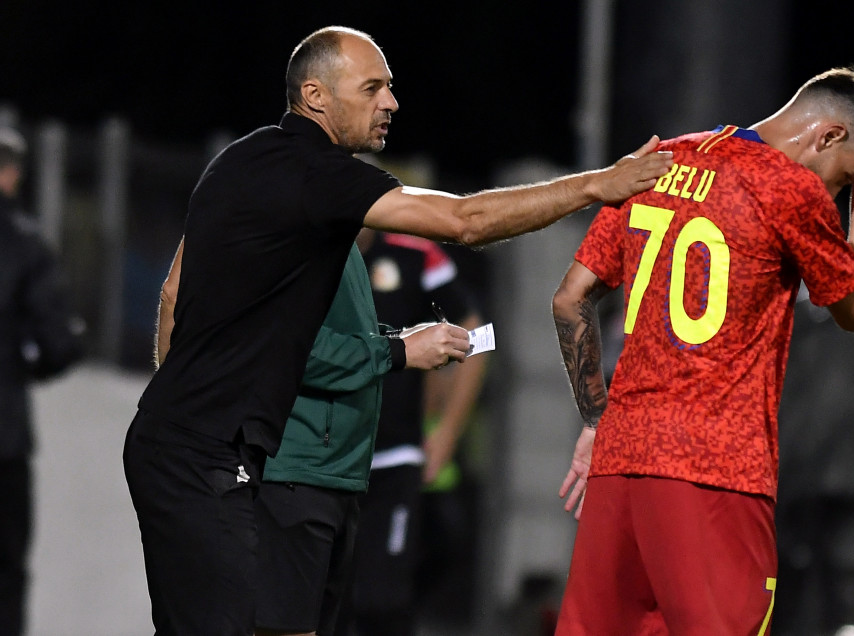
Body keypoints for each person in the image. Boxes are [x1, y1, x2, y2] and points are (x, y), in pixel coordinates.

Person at [128, 25, 672, 636]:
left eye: (390, 88)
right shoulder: (318, 172)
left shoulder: (239, 161)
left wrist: (180, 411)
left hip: (193, 446)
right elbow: (464, 221)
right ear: (316, 96)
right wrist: (596, 185)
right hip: (207, 456)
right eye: (372, 88)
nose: (390, 102)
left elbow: (175, 292)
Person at [550, 67, 854, 634]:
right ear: (828, 136)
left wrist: (598, 420)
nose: (835, 194)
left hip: (618, 466)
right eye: (847, 178)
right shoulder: (789, 186)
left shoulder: (661, 160)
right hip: (715, 473)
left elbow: (570, 300)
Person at [321, 229, 486, 636]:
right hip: (323, 459)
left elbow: (476, 335)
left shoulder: (415, 256)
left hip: (394, 458)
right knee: (321, 601)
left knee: (383, 601)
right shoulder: (309, 244)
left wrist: (448, 430)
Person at [0, 126, 84, 635]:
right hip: (3, 437)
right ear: (12, 173)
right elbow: (61, 344)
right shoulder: (25, 245)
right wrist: (23, 369)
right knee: (7, 571)